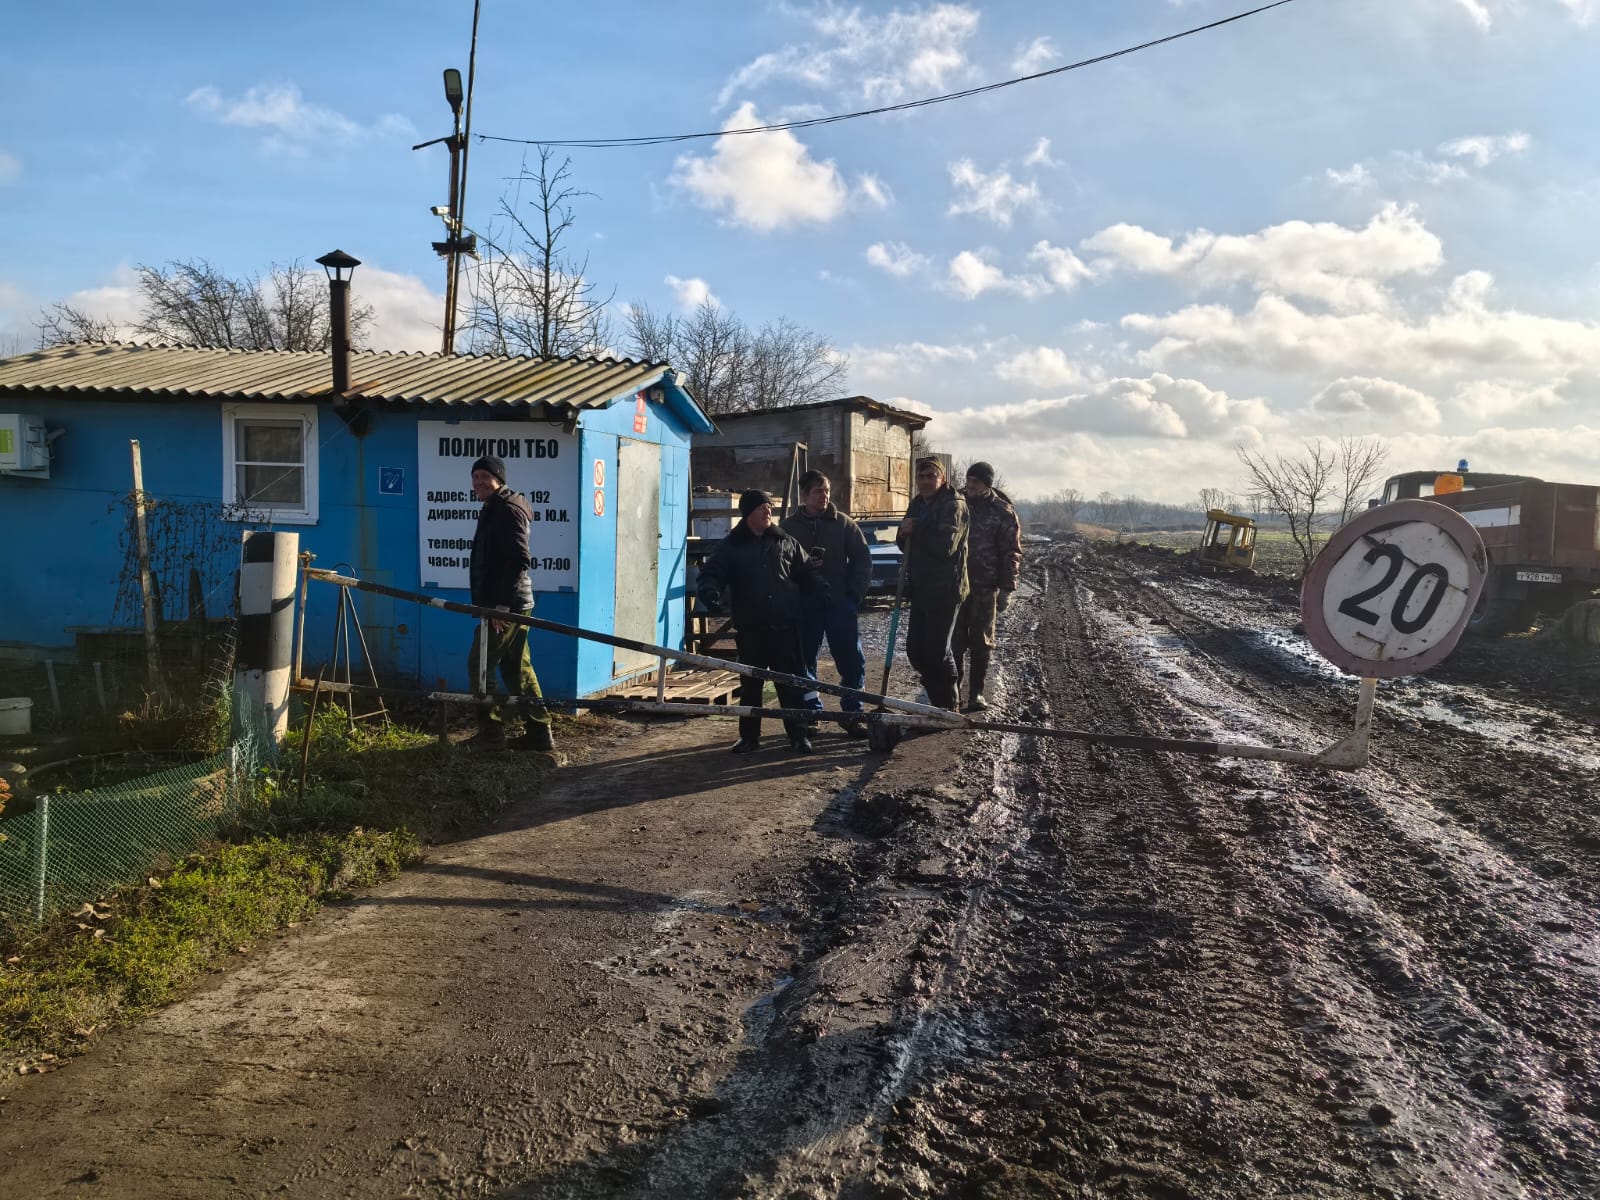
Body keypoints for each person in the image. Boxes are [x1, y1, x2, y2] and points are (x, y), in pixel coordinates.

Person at [697, 489, 827, 754]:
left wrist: (819, 590)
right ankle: (749, 737)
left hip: (785, 627)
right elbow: (711, 573)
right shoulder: (731, 546)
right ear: (748, 514)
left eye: (769, 507)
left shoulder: (785, 541)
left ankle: (798, 735)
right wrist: (710, 592)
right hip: (752, 628)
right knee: (751, 687)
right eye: (762, 508)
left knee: (790, 685)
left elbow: (805, 572)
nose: (768, 512)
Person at [467, 455, 554, 751]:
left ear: (499, 480)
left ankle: (491, 732)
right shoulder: (497, 506)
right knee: (517, 666)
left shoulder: (507, 509)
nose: (478, 482)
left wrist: (502, 606)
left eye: (484, 477)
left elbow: (519, 558)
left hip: (507, 604)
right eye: (475, 477)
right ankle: (539, 731)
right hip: (512, 601)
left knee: (479, 663)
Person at [781, 470, 872, 738]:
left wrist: (853, 597)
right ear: (804, 495)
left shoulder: (843, 525)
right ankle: (812, 713)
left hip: (838, 605)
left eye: (827, 491)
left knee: (851, 660)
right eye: (818, 491)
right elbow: (777, 566)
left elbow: (862, 562)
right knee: (805, 661)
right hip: (805, 607)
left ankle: (852, 713)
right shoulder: (788, 528)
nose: (824, 496)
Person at [897, 456, 969, 711]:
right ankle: (938, 695)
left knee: (938, 650)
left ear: (943, 479)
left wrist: (916, 529)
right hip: (920, 587)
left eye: (931, 476)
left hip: (946, 589)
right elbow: (902, 538)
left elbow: (945, 546)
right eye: (921, 477)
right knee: (916, 650)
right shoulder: (917, 504)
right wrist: (904, 532)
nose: (926, 482)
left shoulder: (954, 505)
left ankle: (947, 705)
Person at [953, 461, 1021, 712]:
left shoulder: (1002, 512)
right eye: (969, 480)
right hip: (956, 587)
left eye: (976, 482)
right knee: (955, 642)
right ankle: (953, 694)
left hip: (985, 588)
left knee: (982, 643)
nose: (970, 486)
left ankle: (976, 694)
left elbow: (1011, 552)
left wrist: (1007, 589)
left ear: (987, 484)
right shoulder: (955, 504)